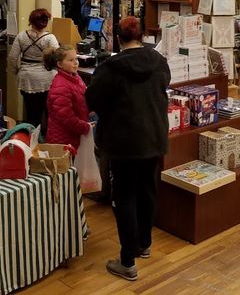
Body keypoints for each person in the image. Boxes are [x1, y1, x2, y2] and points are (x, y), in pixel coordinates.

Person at [85, 16, 170, 281]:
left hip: (124, 142)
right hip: (154, 137)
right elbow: (163, 86)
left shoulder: (111, 68)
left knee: (125, 198)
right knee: (148, 191)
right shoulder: (159, 61)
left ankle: (127, 260)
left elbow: (92, 99)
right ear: (142, 35)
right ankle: (144, 243)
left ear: (118, 38)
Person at [7, 8, 59, 129]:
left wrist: (16, 71)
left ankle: (31, 139)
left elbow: (12, 58)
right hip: (47, 78)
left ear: (31, 21)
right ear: (46, 22)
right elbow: (57, 56)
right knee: (49, 112)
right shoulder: (50, 38)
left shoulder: (21, 36)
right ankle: (48, 138)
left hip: (27, 78)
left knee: (32, 113)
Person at [43, 45, 90, 151]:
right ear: (59, 64)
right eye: (71, 60)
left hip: (73, 135)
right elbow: (66, 117)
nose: (76, 62)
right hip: (62, 139)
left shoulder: (75, 77)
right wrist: (85, 127)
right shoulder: (60, 86)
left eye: (76, 59)